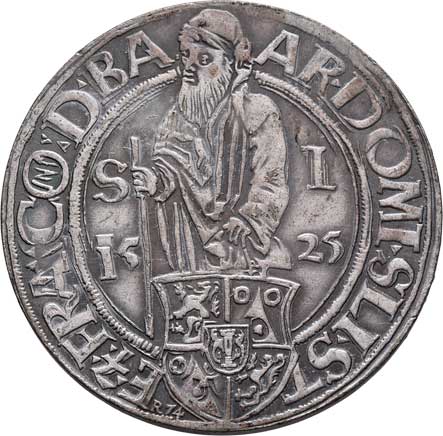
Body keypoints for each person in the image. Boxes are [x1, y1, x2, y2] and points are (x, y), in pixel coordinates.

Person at [132, 9, 290, 275]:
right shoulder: (176, 116)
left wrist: (249, 220)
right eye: (186, 56)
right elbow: (172, 167)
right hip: (187, 243)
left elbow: (271, 178)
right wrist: (155, 181)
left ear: (231, 64)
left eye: (204, 59)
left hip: (240, 244)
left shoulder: (257, 111)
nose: (189, 69)